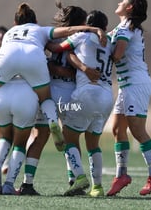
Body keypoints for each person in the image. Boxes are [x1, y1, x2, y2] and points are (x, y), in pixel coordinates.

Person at [0, 2, 107, 155]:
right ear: (35, 21)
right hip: (68, 87)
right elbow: (69, 34)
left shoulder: (11, 32)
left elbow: (12, 49)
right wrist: (93, 30)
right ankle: (54, 127)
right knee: (54, 112)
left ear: (15, 23)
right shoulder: (43, 31)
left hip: (22, 69)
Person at [18, 1, 87, 195]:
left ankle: (27, 183)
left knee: (39, 137)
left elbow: (44, 62)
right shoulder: (79, 40)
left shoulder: (48, 40)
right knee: (71, 138)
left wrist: (49, 66)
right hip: (68, 95)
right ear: (79, 22)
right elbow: (73, 72)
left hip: (47, 94)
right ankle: (75, 180)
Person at [106, 0, 151, 197]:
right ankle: (121, 175)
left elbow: (117, 54)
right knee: (117, 129)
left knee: (137, 131)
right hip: (126, 84)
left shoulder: (126, 27)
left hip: (135, 84)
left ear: (129, 8)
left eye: (123, 0)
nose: (119, 2)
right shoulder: (123, 26)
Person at [50, 10, 113, 197]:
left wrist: (42, 39)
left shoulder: (82, 36)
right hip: (107, 96)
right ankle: (98, 187)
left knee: (68, 138)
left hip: (87, 93)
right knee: (93, 144)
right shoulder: (110, 41)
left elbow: (57, 48)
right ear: (105, 27)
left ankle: (79, 177)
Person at [0, 78, 39, 195]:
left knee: (4, 136)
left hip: (1, 94)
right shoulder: (34, 58)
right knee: (20, 143)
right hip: (25, 94)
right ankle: (9, 185)